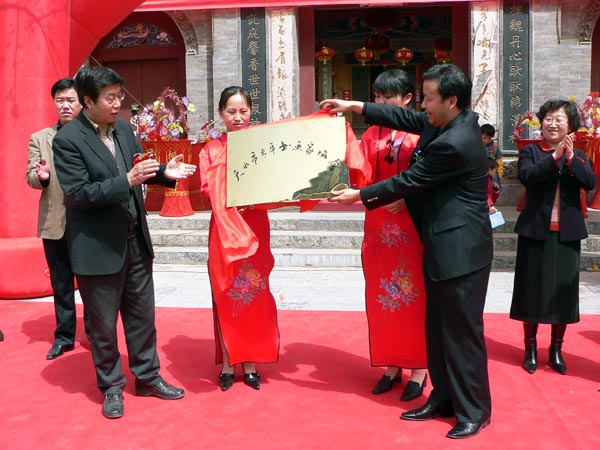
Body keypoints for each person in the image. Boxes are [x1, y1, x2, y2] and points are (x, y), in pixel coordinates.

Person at [321, 63, 493, 439]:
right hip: (440, 245)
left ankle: (474, 410)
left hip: (461, 251)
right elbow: (402, 116)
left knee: (462, 335)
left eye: (428, 99)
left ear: (450, 100)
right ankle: (443, 398)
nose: (423, 106)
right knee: (437, 330)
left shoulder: (455, 142)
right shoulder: (446, 121)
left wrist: (359, 195)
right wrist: (354, 106)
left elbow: (409, 180)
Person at [52, 66, 196, 419]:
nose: (118, 103)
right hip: (97, 247)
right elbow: (79, 193)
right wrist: (127, 181)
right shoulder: (68, 140)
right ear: (88, 101)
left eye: (119, 96)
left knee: (142, 317)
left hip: (134, 240)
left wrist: (162, 172)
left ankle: (147, 377)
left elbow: (138, 167)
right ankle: (111, 387)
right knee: (103, 325)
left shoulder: (125, 130)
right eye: (110, 97)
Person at [199, 86, 279, 392]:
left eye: (243, 111)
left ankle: (251, 362)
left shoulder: (261, 146)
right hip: (224, 229)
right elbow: (207, 190)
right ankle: (228, 362)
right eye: (231, 111)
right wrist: (232, 195)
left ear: (251, 112)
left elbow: (273, 183)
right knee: (226, 293)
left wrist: (256, 197)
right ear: (221, 113)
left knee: (254, 293)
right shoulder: (210, 150)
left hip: (255, 225)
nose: (237, 117)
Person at [509, 99, 596, 376]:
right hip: (535, 231)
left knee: (563, 295)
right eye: (548, 119)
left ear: (570, 126)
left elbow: (590, 182)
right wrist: (553, 157)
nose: (553, 124)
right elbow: (527, 176)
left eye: (559, 120)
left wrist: (568, 158)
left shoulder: (578, 155)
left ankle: (556, 350)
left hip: (567, 234)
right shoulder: (531, 152)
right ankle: (530, 348)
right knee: (531, 291)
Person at [358, 69, 427, 401]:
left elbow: (429, 176)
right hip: (378, 222)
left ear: (408, 99)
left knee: (414, 297)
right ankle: (391, 364)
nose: (381, 102)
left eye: (388, 97)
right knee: (383, 295)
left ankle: (420, 368)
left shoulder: (422, 132)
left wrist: (408, 199)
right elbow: (361, 173)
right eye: (377, 96)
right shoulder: (372, 133)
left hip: (412, 224)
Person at [25, 78, 89, 360]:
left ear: (82, 102)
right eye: (60, 100)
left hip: (88, 222)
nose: (65, 105)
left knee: (90, 282)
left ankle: (95, 332)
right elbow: (29, 176)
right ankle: (64, 336)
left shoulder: (92, 134)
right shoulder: (40, 138)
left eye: (70, 100)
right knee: (61, 282)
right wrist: (42, 177)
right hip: (55, 221)